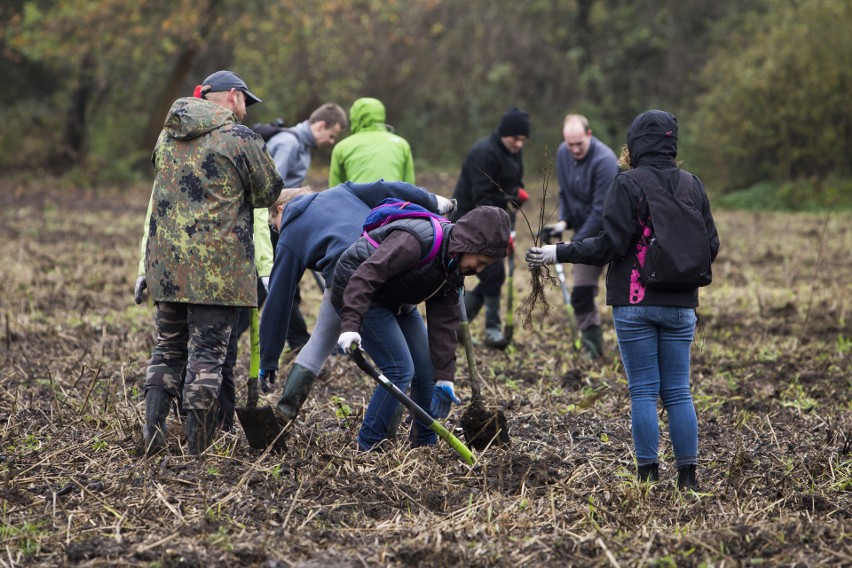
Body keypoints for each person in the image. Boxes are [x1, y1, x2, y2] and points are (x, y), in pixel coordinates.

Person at [526, 110, 720, 489]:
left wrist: (558, 253)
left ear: (633, 145)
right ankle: (688, 479)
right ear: (672, 143)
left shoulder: (627, 183)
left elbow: (608, 245)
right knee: (679, 391)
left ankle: (647, 479)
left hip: (635, 304)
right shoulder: (692, 185)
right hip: (682, 305)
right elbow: (711, 244)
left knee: (644, 391)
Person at [140, 70, 283, 455]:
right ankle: (198, 449)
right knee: (207, 356)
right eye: (245, 102)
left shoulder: (167, 134)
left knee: (167, 348)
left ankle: (151, 438)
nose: (247, 110)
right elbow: (270, 190)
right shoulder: (239, 138)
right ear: (233, 96)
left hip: (165, 268)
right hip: (216, 273)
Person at [259, 181, 455, 425]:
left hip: (348, 278)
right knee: (406, 363)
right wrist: (431, 199)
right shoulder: (343, 191)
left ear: (280, 210)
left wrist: (268, 357)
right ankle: (413, 435)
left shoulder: (290, 232)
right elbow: (387, 187)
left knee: (332, 346)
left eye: (273, 226)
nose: (277, 231)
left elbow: (280, 297)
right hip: (388, 265)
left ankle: (285, 414)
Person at [332, 206, 511, 451]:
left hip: (398, 300)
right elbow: (367, 275)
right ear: (467, 243)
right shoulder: (418, 239)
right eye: (479, 261)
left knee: (428, 371)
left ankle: (424, 443)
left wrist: (445, 378)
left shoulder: (454, 269)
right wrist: (351, 323)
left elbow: (444, 324)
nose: (478, 270)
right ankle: (368, 445)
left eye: (485, 265)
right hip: (361, 293)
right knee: (399, 368)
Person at [451, 107, 530, 349]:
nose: (519, 144)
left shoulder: (513, 152)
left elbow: (513, 181)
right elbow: (482, 196)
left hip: (493, 219)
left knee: (494, 275)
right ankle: (464, 327)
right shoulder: (483, 153)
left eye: (523, 140)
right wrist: (502, 232)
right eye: (515, 138)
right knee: (492, 273)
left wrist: (517, 193)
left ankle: (466, 328)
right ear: (504, 133)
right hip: (468, 220)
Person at [542, 114, 619, 359]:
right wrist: (563, 222)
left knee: (622, 293)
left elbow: (600, 211)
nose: (574, 149)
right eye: (570, 144)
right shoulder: (563, 154)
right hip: (583, 236)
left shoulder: (605, 160)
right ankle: (592, 348)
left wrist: (571, 246)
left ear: (589, 134)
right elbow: (566, 194)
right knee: (581, 294)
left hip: (613, 235)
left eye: (579, 144)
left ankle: (630, 345)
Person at [328, 97, 415, 187]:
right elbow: (410, 188)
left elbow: (334, 192)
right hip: (394, 201)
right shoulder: (401, 144)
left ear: (354, 118)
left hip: (357, 200)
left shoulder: (342, 147)